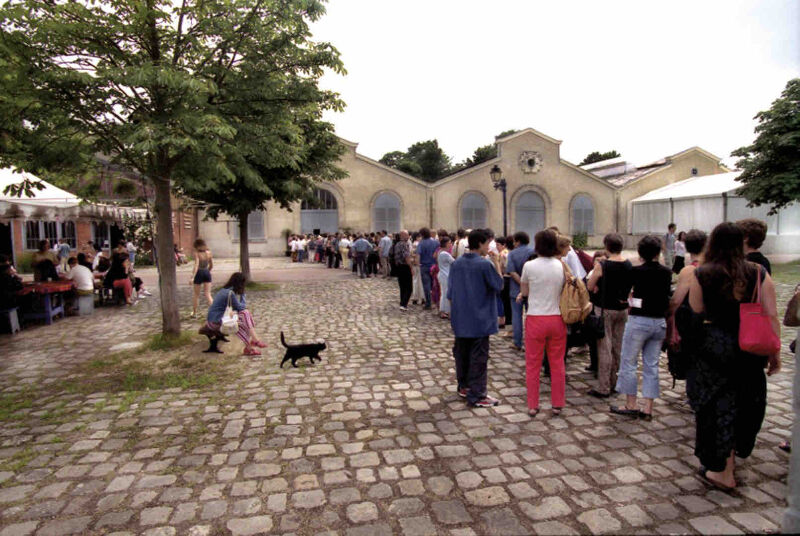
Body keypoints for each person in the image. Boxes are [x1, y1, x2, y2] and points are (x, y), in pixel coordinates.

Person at [688, 222, 781, 490]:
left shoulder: (703, 273)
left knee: (717, 407)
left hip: (715, 348)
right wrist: (774, 353)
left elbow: (696, 312)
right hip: (750, 347)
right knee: (745, 403)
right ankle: (730, 462)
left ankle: (722, 469)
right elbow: (771, 315)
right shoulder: (758, 272)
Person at [610, 235, 672, 420]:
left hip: (639, 320)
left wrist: (629, 299)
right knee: (651, 365)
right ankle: (648, 407)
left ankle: (631, 403)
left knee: (629, 362)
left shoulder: (636, 271)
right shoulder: (666, 272)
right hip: (659, 321)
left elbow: (622, 295)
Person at [447, 229, 504, 407]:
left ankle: (464, 386)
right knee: (478, 358)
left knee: (462, 355)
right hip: (480, 319)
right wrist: (497, 263)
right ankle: (478, 394)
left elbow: (450, 293)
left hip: (461, 317)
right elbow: (499, 285)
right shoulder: (484, 264)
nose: (489, 247)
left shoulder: (456, 264)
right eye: (487, 243)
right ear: (480, 243)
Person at [518, 229, 567, 417]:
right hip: (556, 317)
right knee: (557, 363)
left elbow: (526, 292)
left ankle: (533, 404)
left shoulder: (529, 266)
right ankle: (557, 403)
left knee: (532, 363)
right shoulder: (561, 265)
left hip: (536, 317)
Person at [586, 234, 633, 398]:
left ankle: (604, 386)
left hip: (605, 308)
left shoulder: (602, 265)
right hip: (622, 309)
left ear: (606, 246)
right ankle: (616, 382)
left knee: (604, 348)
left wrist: (596, 285)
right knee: (618, 347)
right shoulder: (628, 264)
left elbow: (590, 286)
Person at [206, 272, 267, 357]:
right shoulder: (229, 294)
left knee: (245, 314)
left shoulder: (225, 290)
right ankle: (251, 345)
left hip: (217, 319)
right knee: (241, 319)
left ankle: (252, 344)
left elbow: (236, 309)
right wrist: (243, 295)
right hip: (214, 323)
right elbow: (241, 307)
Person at [506, 232, 535, 352]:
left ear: (517, 241)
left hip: (515, 289)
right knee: (531, 316)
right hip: (532, 289)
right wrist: (527, 284)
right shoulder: (533, 252)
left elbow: (511, 272)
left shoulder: (512, 254)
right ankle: (531, 341)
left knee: (516, 317)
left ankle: (517, 342)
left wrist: (521, 283)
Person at [191, 238, 213, 318]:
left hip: (199, 273)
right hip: (206, 272)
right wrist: (208, 271)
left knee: (196, 294)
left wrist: (192, 277)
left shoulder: (197, 254)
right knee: (208, 294)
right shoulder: (209, 253)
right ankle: (214, 311)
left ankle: (194, 312)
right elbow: (211, 265)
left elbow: (196, 265)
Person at [417, 228, 438, 310]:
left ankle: (428, 303)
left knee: (426, 285)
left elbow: (418, 254)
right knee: (434, 285)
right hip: (434, 266)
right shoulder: (435, 242)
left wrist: (418, 264)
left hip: (424, 266)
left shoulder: (421, 243)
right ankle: (435, 302)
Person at [394, 230, 413, 310]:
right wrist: (411, 267)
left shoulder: (397, 244)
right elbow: (406, 257)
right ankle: (404, 304)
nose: (408, 237)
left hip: (399, 267)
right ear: (403, 236)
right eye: (407, 235)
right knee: (409, 287)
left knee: (402, 286)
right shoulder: (405, 244)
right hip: (405, 267)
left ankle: (402, 302)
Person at [437, 236, 455, 319]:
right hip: (446, 275)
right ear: (446, 244)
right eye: (450, 243)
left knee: (443, 293)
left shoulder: (440, 252)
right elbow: (454, 262)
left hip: (443, 274)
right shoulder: (445, 254)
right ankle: (446, 311)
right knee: (446, 294)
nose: (451, 244)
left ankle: (443, 310)